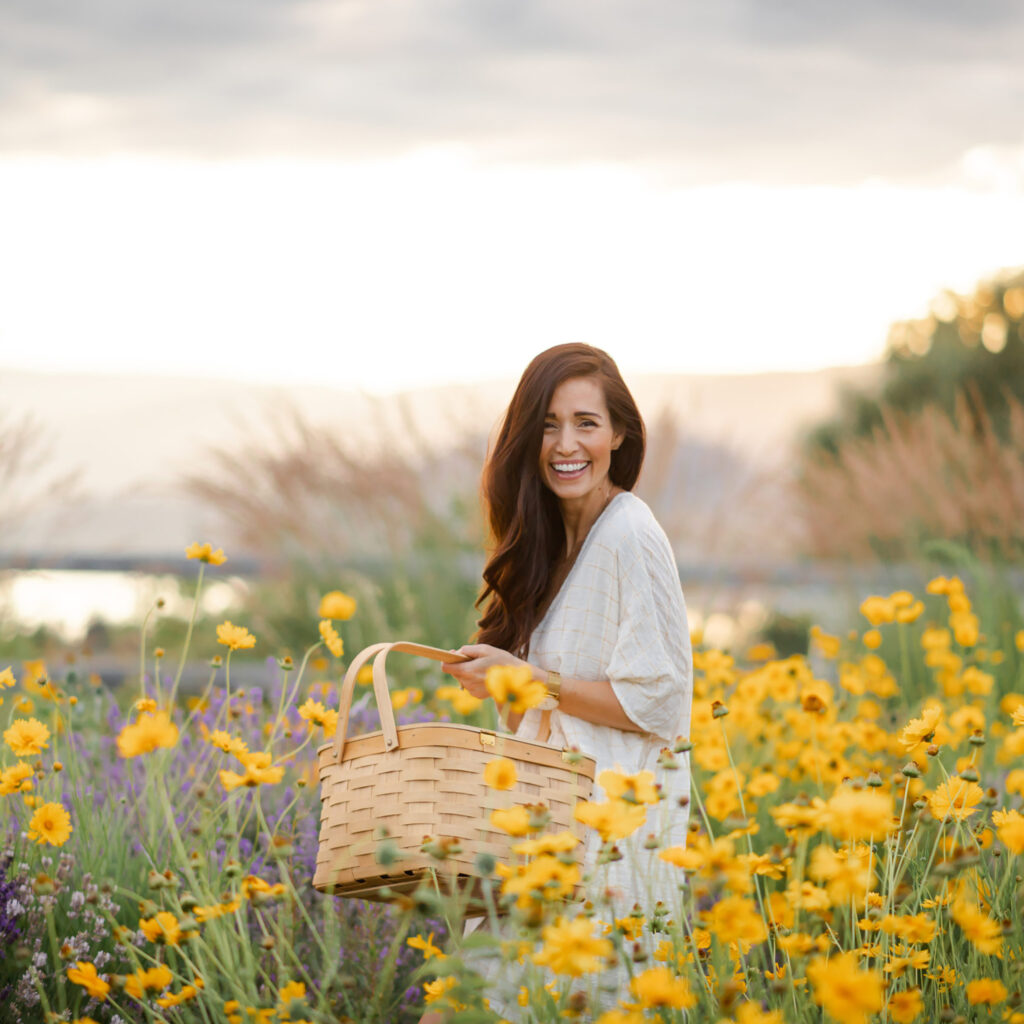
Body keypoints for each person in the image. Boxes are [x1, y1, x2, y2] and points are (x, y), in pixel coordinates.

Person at [430, 343, 693, 1019]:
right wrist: (504, 682)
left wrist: (535, 681)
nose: (565, 443)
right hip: (544, 828)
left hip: (604, 839)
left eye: (585, 422)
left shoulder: (630, 534)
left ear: (618, 434)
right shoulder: (555, 541)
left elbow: (659, 704)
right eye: (547, 424)